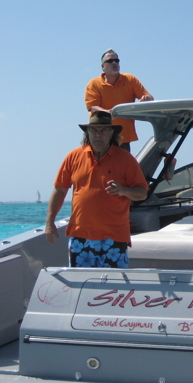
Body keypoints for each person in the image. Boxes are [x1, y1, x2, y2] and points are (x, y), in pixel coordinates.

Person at [45, 112, 148, 268]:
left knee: (114, 287)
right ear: (88, 133)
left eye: (103, 130)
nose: (98, 135)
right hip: (80, 236)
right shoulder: (73, 157)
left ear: (112, 133)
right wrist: (50, 222)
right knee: (81, 286)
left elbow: (142, 193)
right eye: (94, 130)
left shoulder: (126, 159)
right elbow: (59, 191)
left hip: (114, 238)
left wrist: (123, 190)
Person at [84, 49, 154, 152]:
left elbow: (149, 97)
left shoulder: (130, 79)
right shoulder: (94, 84)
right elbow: (92, 107)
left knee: (122, 167)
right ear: (103, 66)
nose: (114, 63)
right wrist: (109, 113)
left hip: (123, 138)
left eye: (117, 60)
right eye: (110, 61)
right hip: (100, 137)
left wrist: (146, 98)